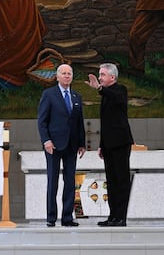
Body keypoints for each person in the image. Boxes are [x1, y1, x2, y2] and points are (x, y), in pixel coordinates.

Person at [37, 64, 86, 227]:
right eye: (63, 73)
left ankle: (67, 217)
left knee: (70, 182)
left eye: (69, 73)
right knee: (53, 181)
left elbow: (79, 122)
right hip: (54, 145)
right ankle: (51, 217)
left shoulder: (76, 96)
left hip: (71, 145)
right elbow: (42, 121)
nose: (66, 76)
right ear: (57, 77)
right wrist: (46, 140)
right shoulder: (48, 94)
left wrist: (81, 143)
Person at [86, 63, 134, 227]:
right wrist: (101, 144)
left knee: (121, 181)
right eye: (99, 75)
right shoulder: (106, 95)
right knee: (111, 182)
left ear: (112, 77)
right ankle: (113, 216)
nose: (100, 77)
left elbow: (117, 98)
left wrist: (99, 88)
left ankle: (121, 217)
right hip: (108, 145)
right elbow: (105, 123)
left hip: (121, 142)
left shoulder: (121, 90)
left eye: (102, 75)